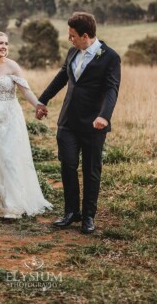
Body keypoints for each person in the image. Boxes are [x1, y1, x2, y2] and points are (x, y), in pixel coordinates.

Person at [36, 12, 121, 234]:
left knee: (91, 170)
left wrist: (105, 115)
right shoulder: (73, 51)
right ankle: (71, 212)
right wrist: (42, 100)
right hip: (68, 122)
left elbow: (112, 89)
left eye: (72, 35)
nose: (69, 39)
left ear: (85, 35)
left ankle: (88, 217)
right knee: (68, 165)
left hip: (94, 124)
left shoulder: (110, 57)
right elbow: (62, 77)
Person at [0, 30, 52, 219]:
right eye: (0, 43)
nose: (4, 47)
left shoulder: (13, 66)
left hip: (10, 118)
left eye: (6, 43)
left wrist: (38, 105)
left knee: (10, 157)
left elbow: (25, 91)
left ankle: (13, 202)